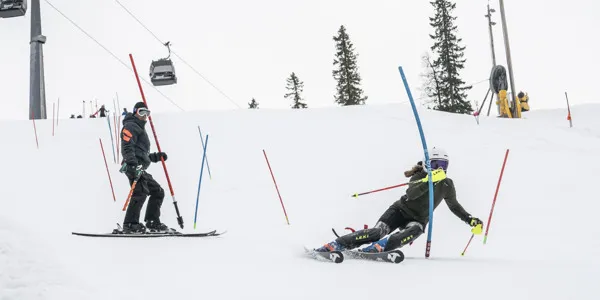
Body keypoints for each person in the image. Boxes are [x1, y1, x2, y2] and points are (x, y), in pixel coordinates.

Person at [314, 147, 483, 253]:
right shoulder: (419, 176)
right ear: (426, 164)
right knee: (377, 232)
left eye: (444, 165)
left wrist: (470, 220)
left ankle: (381, 247)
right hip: (399, 211)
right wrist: (429, 181)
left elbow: (454, 206)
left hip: (418, 219)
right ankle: (338, 244)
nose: (440, 169)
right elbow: (412, 194)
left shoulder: (447, 184)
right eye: (436, 164)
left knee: (415, 230)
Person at [119, 101, 170, 233]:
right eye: (141, 112)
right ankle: (130, 224)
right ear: (135, 112)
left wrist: (156, 157)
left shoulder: (139, 127)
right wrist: (132, 164)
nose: (144, 116)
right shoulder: (130, 126)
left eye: (147, 113)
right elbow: (127, 147)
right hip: (132, 166)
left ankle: (152, 222)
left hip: (140, 167)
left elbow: (142, 153)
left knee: (157, 191)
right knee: (140, 192)